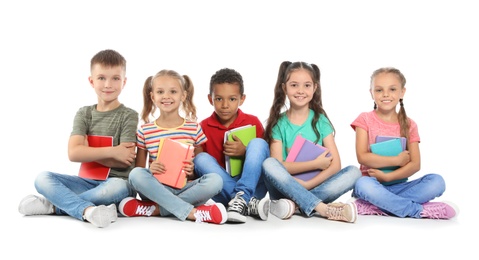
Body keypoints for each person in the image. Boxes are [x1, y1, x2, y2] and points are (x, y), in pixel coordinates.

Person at [18, 49, 139, 228]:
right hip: (85, 182)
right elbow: (74, 154)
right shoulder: (84, 113)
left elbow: (124, 161)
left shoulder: (128, 115)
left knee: (114, 189)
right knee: (42, 178)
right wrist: (113, 151)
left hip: (117, 182)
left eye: (115, 78)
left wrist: (88, 151)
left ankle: (54, 205)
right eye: (101, 78)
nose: (108, 84)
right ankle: (89, 210)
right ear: (91, 81)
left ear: (124, 82)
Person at [118, 69, 227, 225]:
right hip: (155, 190)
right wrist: (151, 170)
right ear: (152, 96)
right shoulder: (145, 130)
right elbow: (139, 169)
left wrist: (191, 171)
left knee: (216, 180)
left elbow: (199, 167)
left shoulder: (193, 128)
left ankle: (155, 210)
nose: (166, 96)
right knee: (135, 174)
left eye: (173, 91)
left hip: (185, 188)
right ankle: (192, 212)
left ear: (183, 95)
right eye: (160, 92)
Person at [349, 67, 458, 219]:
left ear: (402, 92)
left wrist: (388, 177)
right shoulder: (364, 119)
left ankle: (375, 206)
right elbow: (362, 157)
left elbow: (415, 164)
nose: (386, 94)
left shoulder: (409, 124)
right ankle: (417, 211)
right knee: (362, 184)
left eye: (392, 89)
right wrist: (396, 160)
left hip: (399, 186)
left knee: (437, 181)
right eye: (379, 90)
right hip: (372, 185)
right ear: (371, 93)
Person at [262, 61, 361, 223]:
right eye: (294, 85)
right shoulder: (278, 124)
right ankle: (321, 208)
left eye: (307, 85)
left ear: (315, 88)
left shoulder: (320, 121)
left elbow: (335, 165)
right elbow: (279, 165)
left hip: (315, 187)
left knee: (354, 172)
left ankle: (296, 204)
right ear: (284, 87)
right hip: (283, 188)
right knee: (268, 163)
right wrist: (315, 164)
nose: (300, 91)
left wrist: (307, 186)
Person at [193, 68, 270, 223]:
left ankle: (242, 197)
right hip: (223, 192)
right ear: (210, 99)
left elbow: (266, 162)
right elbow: (202, 171)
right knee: (200, 158)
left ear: (242, 99)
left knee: (258, 143)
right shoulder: (202, 127)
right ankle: (246, 204)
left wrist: (245, 151)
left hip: (254, 188)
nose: (225, 105)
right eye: (219, 99)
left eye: (232, 99)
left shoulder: (253, 122)